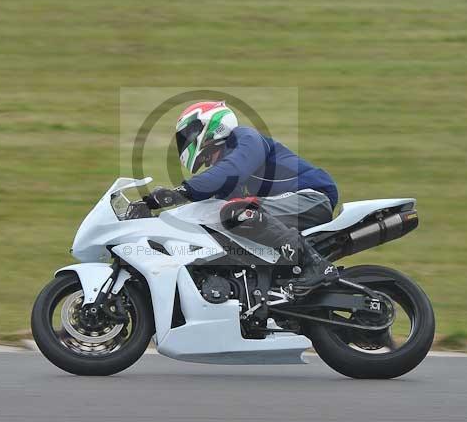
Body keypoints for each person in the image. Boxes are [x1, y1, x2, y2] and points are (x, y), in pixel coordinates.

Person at [143, 101, 340, 293]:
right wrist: (155, 221)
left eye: (188, 135)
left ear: (208, 126)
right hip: (283, 207)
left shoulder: (245, 138)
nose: (185, 142)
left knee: (236, 213)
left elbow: (232, 170)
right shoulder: (225, 173)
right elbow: (204, 208)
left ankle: (315, 265)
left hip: (310, 197)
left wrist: (179, 193)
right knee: (217, 221)